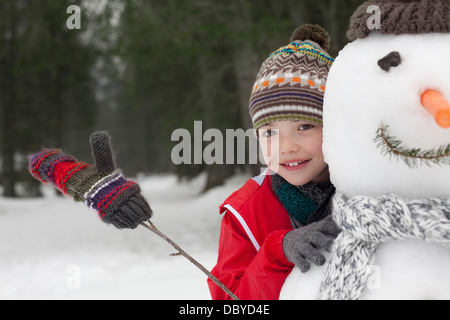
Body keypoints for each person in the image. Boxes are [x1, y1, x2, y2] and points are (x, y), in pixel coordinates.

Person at [207, 24, 341, 300]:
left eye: (304, 126)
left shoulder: (370, 187)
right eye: (270, 132)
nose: (287, 147)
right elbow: (230, 299)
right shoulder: (244, 214)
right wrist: (278, 252)